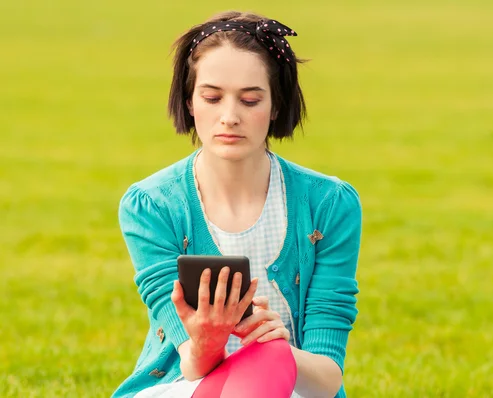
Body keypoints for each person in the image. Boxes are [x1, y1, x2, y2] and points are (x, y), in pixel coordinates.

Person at [113, 10, 362, 398]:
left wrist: (280, 348)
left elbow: (327, 380)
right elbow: (190, 364)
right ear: (190, 103)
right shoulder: (151, 206)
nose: (229, 117)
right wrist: (206, 342)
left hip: (289, 388)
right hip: (185, 388)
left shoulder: (330, 204)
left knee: (270, 358)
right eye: (212, 97)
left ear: (276, 106)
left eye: (250, 101)